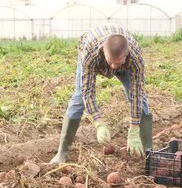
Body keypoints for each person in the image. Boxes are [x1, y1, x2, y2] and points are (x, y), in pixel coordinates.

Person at [49, 24, 152, 164]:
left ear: (127, 53)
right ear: (104, 50)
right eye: (111, 62)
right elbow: (88, 92)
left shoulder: (135, 57)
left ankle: (147, 148)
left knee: (139, 98)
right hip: (93, 57)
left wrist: (134, 128)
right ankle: (62, 152)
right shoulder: (90, 53)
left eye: (118, 63)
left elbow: (137, 93)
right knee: (79, 99)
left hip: (126, 64)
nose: (113, 67)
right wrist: (99, 123)